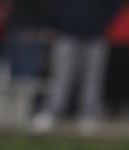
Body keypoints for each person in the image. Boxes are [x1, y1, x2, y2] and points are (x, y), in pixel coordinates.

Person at [31, 0, 122, 133]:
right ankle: (52, 112)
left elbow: (114, 6)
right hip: (66, 33)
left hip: (96, 35)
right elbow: (53, 5)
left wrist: (102, 23)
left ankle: (89, 115)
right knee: (61, 77)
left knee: (93, 79)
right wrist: (57, 23)